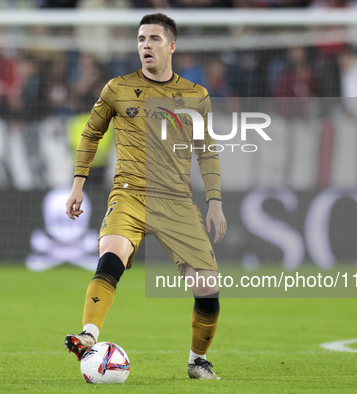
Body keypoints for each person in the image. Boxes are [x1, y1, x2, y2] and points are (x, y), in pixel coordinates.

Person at [64, 13, 227, 380]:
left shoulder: (196, 96)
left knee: (208, 286)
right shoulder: (117, 88)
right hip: (129, 193)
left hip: (176, 201)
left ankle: (197, 361)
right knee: (112, 253)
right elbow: (91, 134)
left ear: (172, 46)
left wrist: (214, 201)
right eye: (140, 39)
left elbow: (207, 151)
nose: (145, 45)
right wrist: (78, 183)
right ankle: (89, 335)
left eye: (154, 39)